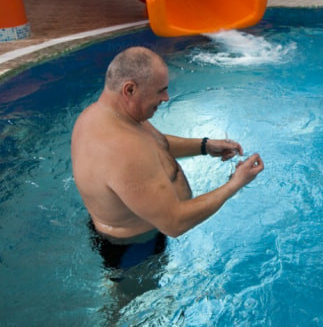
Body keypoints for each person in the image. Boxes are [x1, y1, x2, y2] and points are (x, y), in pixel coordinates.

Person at [71, 46, 264, 269]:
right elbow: (175, 223)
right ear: (130, 89)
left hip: (142, 229)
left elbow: (157, 143)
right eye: (160, 91)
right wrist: (235, 183)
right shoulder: (121, 150)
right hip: (134, 250)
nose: (166, 98)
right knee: (135, 292)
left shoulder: (114, 115)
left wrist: (205, 146)